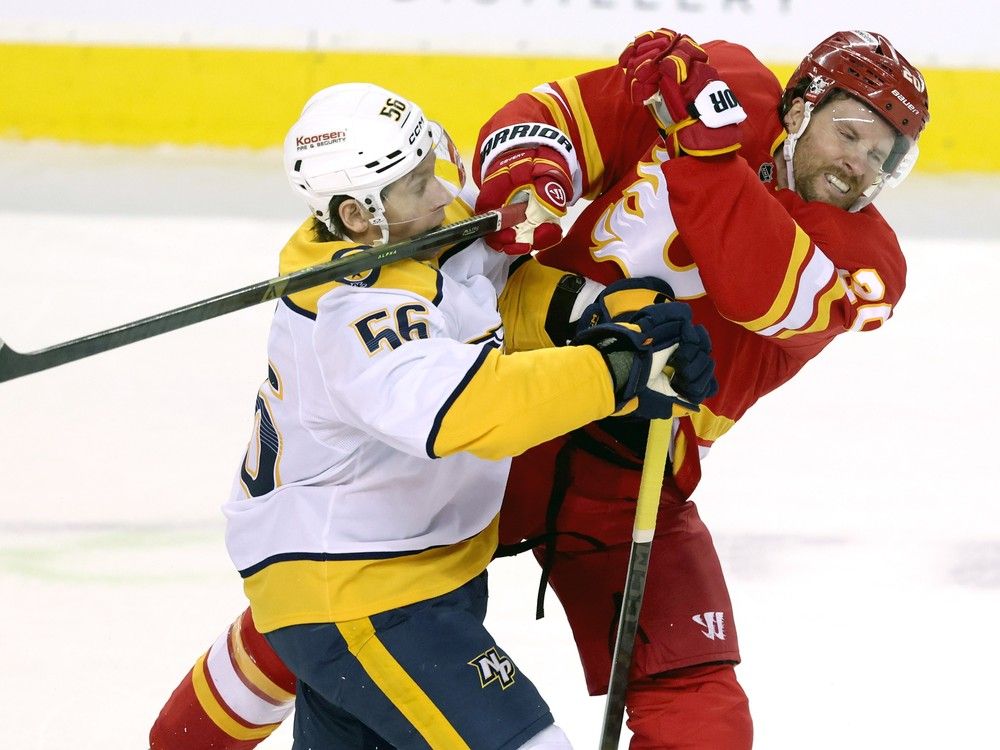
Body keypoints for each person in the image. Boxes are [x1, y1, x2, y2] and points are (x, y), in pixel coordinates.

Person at [149, 29, 929, 749]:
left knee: (695, 691)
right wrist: (536, 182)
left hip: (628, 463)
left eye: (883, 154)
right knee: (344, 599)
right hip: (512, 393)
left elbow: (762, 287)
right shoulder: (720, 82)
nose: (860, 164)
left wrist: (698, 152)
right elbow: (554, 117)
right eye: (850, 132)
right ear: (799, 109)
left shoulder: (870, 266)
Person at [156, 80, 714, 750]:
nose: (444, 195)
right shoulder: (354, 312)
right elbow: (470, 411)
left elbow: (489, 296)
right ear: (359, 217)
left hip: (411, 574)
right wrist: (619, 371)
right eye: (418, 183)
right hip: (365, 595)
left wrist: (602, 312)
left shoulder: (410, 240)